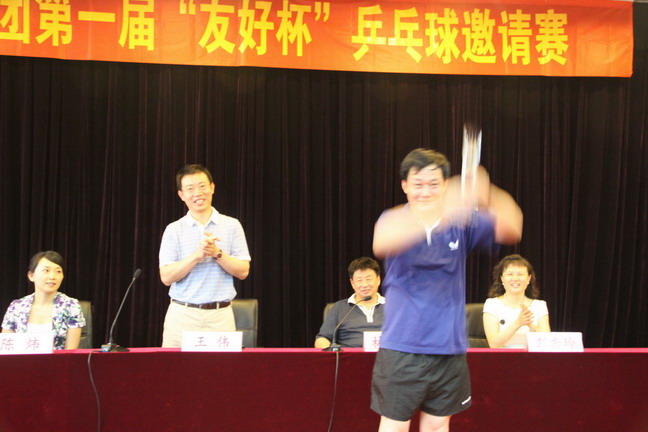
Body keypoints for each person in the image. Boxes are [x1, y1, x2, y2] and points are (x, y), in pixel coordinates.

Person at [371, 148, 523, 432]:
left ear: (443, 185)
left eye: (434, 184)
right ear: (405, 186)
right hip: (402, 347)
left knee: (438, 426)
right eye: (418, 184)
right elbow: (383, 243)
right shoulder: (393, 219)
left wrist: (486, 191)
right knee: (394, 426)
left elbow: (512, 227)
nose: (425, 191)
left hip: (449, 347)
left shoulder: (458, 222)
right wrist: (447, 205)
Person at [159, 164, 251, 347]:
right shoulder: (173, 229)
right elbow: (166, 277)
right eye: (190, 189)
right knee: (175, 366)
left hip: (220, 316)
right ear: (181, 195)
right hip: (182, 316)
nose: (197, 193)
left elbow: (243, 271)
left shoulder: (232, 225)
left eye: (202, 186)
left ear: (212, 188)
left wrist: (217, 253)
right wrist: (197, 255)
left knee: (221, 366)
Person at [1, 251, 86, 350]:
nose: (52, 277)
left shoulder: (71, 306)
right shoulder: (16, 307)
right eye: (46, 270)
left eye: (58, 271)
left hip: (57, 360)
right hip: (21, 360)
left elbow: (70, 353)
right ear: (31, 276)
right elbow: (6, 349)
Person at [315, 257, 385, 349]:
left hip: (387, 356)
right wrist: (332, 353)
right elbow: (322, 339)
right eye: (359, 280)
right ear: (352, 283)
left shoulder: (394, 307)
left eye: (368, 279)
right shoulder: (339, 308)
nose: (364, 285)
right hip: (349, 357)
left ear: (378, 280)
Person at [482, 254, 550, 348]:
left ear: (528, 278)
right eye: (510, 274)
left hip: (531, 356)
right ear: (502, 279)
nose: (515, 279)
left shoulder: (539, 306)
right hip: (502, 356)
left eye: (520, 274)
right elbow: (493, 344)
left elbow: (547, 342)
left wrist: (531, 325)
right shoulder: (492, 304)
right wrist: (518, 323)